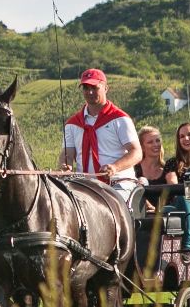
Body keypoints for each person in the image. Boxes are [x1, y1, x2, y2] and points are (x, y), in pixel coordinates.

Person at [60, 68, 141, 207]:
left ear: (106, 88)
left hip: (118, 183)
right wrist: (65, 166)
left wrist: (115, 167)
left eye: (94, 87)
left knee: (109, 206)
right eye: (85, 88)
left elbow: (136, 152)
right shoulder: (72, 124)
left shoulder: (120, 119)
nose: (90, 92)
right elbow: (67, 154)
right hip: (84, 185)